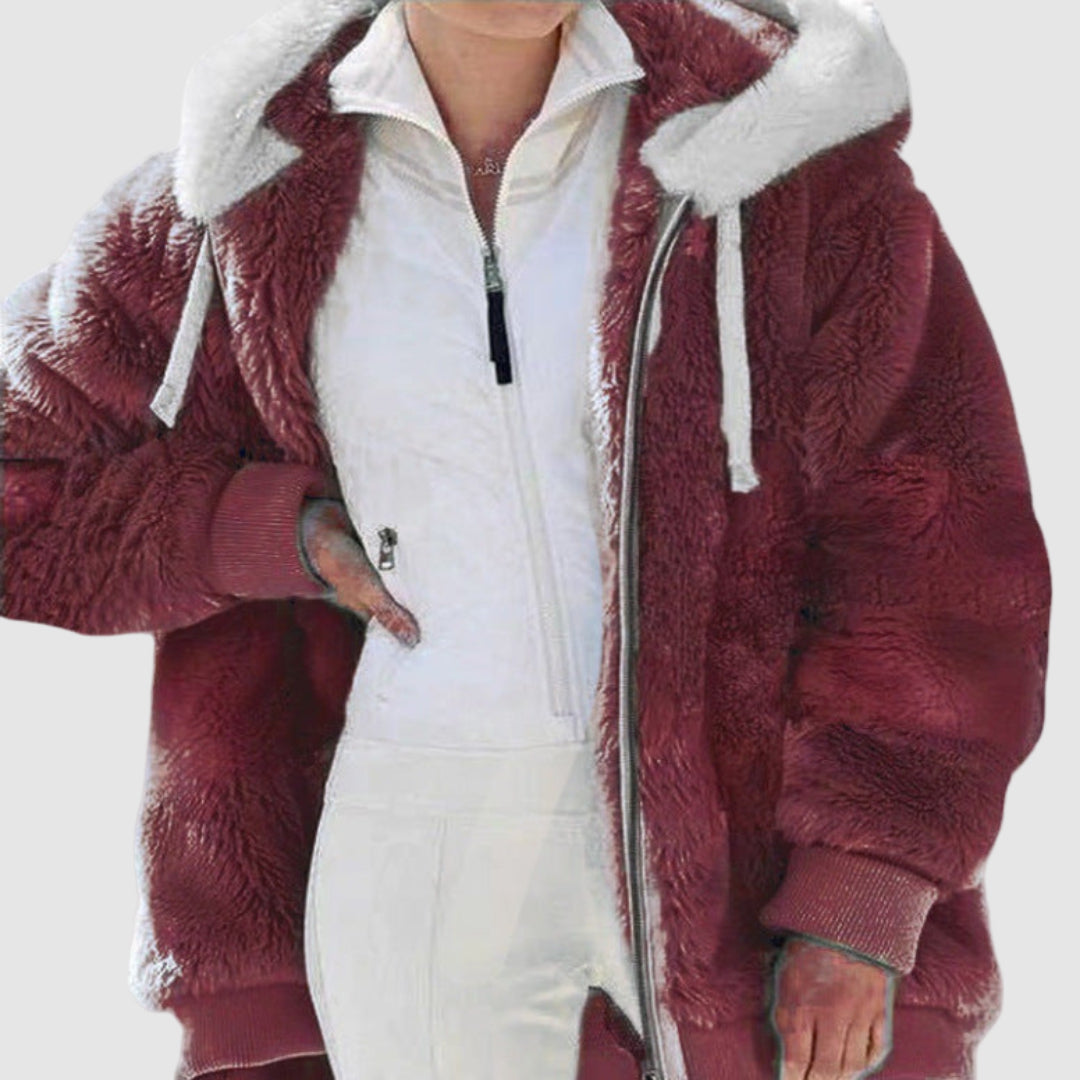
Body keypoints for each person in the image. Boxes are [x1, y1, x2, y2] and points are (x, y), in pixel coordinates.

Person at [0, 2, 1052, 1079]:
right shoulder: (237, 194)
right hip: (423, 845)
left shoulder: (781, 154)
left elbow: (938, 540)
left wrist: (861, 889)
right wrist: (256, 531)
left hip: (747, 859)